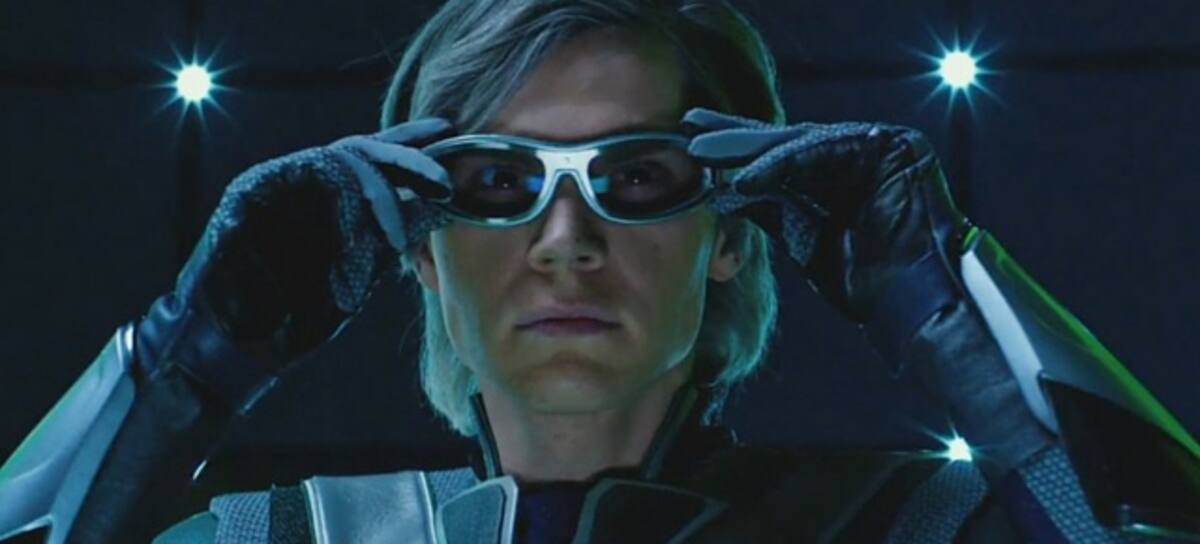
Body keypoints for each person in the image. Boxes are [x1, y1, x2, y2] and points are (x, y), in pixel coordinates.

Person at [2, 0, 1198, 542]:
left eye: (636, 176)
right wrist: (188, 360)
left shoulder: (917, 527)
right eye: (494, 181)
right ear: (416, 247)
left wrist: (941, 308)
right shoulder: (278, 540)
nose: (564, 239)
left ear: (732, 232)